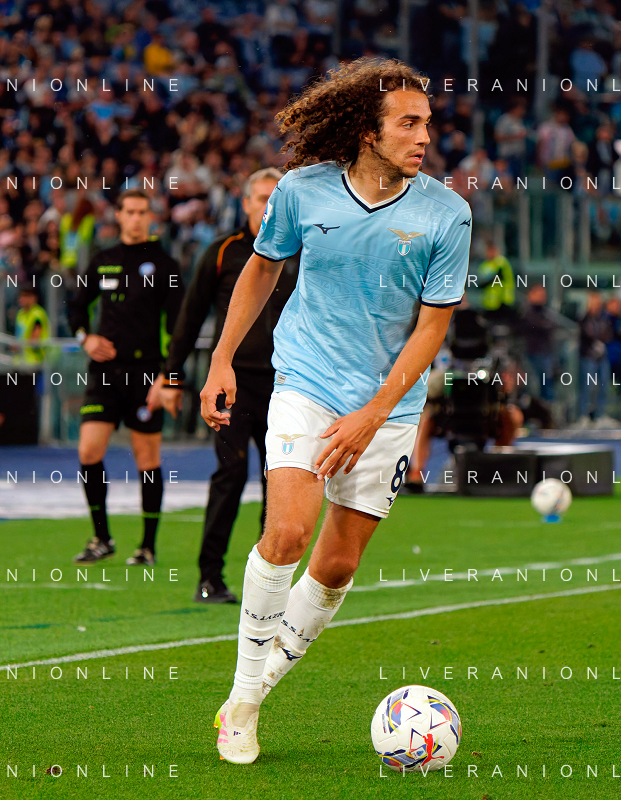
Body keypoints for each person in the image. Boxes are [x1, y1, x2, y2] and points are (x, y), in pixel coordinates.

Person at [198, 58, 472, 765]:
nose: (424, 137)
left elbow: (432, 328)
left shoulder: (446, 213)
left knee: (337, 566)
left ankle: (254, 692)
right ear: (366, 131)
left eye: (427, 124)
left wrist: (373, 414)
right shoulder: (301, 191)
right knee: (288, 532)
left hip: (389, 406)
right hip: (306, 382)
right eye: (408, 124)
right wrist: (222, 357)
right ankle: (243, 704)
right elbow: (263, 266)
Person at [153, 168, 299, 604]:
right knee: (230, 475)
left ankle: (269, 582)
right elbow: (190, 316)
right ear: (245, 203)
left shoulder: (304, 251)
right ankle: (209, 577)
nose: (268, 205)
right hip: (234, 385)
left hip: (289, 385)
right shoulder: (222, 252)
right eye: (261, 197)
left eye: (275, 197)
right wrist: (172, 377)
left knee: (282, 483)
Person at [66, 189, 185, 567]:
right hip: (104, 374)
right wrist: (86, 338)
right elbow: (76, 307)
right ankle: (101, 538)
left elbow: (179, 327)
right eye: (129, 212)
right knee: (88, 451)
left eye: (142, 212)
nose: (136, 218)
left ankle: (147, 546)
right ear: (117, 215)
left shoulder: (165, 265)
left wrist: (170, 378)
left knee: (147, 458)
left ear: (151, 217)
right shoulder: (103, 261)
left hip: (146, 374)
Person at [576, 292, 614, 427]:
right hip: (588, 357)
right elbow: (586, 335)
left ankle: (600, 415)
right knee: (586, 387)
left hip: (601, 358)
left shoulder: (604, 318)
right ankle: (583, 416)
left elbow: (609, 333)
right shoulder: (585, 318)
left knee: (603, 386)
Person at [519, 284, 558, 402]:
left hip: (545, 352)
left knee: (547, 387)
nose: (542, 297)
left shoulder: (545, 312)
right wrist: (545, 325)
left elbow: (551, 325)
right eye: (539, 293)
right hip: (533, 353)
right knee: (535, 386)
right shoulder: (527, 312)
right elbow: (537, 325)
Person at [14, 286, 51, 365]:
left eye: (25, 296)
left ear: (33, 298)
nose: (21, 299)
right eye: (21, 296)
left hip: (36, 360)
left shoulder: (38, 314)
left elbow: (35, 336)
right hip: (21, 359)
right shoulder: (20, 313)